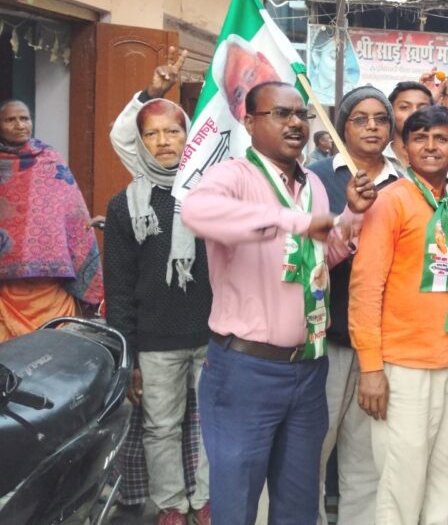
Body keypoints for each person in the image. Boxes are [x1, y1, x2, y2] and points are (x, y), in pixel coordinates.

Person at [181, 81, 376, 525]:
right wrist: (290, 220)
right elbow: (195, 212)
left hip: (308, 368)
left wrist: (352, 215)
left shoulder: (313, 185)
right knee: (237, 504)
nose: (295, 123)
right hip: (246, 370)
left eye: (301, 114)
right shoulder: (233, 175)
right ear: (250, 122)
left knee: (298, 504)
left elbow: (319, 258)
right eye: (281, 113)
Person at [350, 105, 448, 525]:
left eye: (441, 138)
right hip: (403, 366)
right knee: (401, 480)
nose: (430, 146)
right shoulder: (390, 202)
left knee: (447, 476)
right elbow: (366, 289)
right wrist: (371, 368)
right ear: (404, 148)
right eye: (420, 138)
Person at [104, 52, 213, 525]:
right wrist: (128, 353)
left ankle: (206, 501)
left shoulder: (211, 191)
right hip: (155, 340)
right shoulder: (126, 204)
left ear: (189, 136)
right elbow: (119, 284)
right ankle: (171, 505)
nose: (163, 141)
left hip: (214, 334)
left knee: (213, 425)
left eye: (172, 131)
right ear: (140, 142)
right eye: (151, 134)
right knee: (161, 427)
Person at [308, 86, 401, 525]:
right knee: (312, 448)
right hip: (325, 337)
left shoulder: (403, 184)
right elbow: (306, 254)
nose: (371, 127)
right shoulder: (316, 178)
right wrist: (350, 216)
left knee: (366, 457)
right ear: (342, 128)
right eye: (360, 119)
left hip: (380, 343)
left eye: (380, 119)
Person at [0, 99, 102, 340]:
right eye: (10, 120)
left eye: (24, 118)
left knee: (53, 351)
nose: (19, 125)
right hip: (5, 291)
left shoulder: (49, 158)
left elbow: (73, 213)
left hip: (51, 288)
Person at [385, 81, 433, 170]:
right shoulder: (376, 159)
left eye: (423, 108)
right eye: (404, 107)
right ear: (390, 113)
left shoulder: (441, 169)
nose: (414, 113)